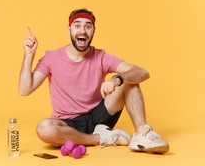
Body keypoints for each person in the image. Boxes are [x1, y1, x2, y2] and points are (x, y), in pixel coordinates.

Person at [18, 8, 169, 154]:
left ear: (93, 31)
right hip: (68, 124)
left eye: (87, 26)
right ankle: (101, 139)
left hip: (100, 118)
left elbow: (142, 72)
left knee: (130, 79)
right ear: (69, 29)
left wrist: (117, 79)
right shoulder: (51, 58)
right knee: (44, 128)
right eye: (77, 25)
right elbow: (24, 90)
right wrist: (29, 55)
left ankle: (142, 135)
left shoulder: (101, 57)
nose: (82, 31)